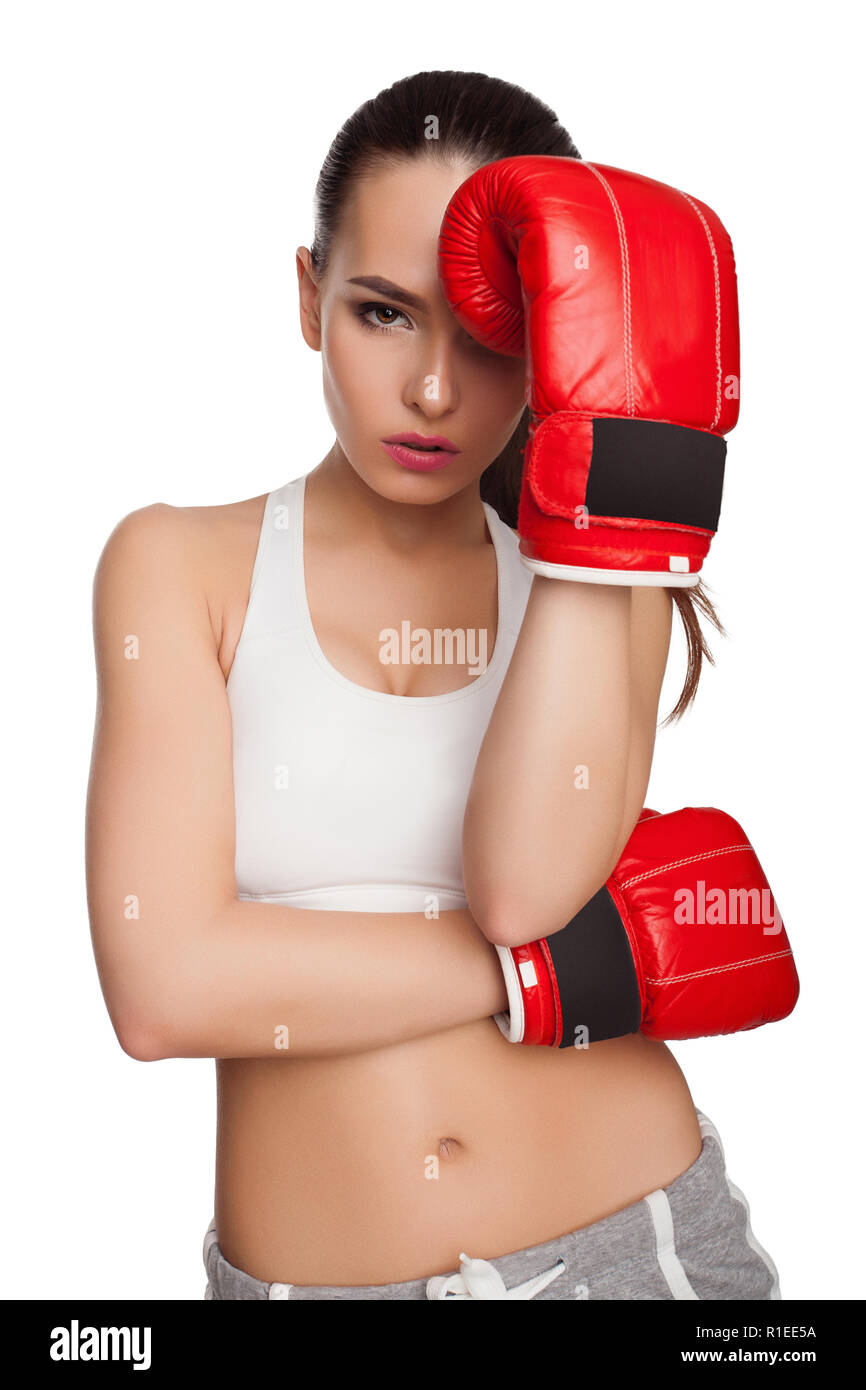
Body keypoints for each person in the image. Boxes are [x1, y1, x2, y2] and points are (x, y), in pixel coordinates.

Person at [85, 69, 781, 1300]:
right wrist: (550, 980)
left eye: (493, 335)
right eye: (382, 312)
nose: (432, 392)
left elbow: (521, 889)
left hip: (641, 1250)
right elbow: (164, 984)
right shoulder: (176, 566)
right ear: (307, 299)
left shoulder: (594, 581)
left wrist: (603, 472)